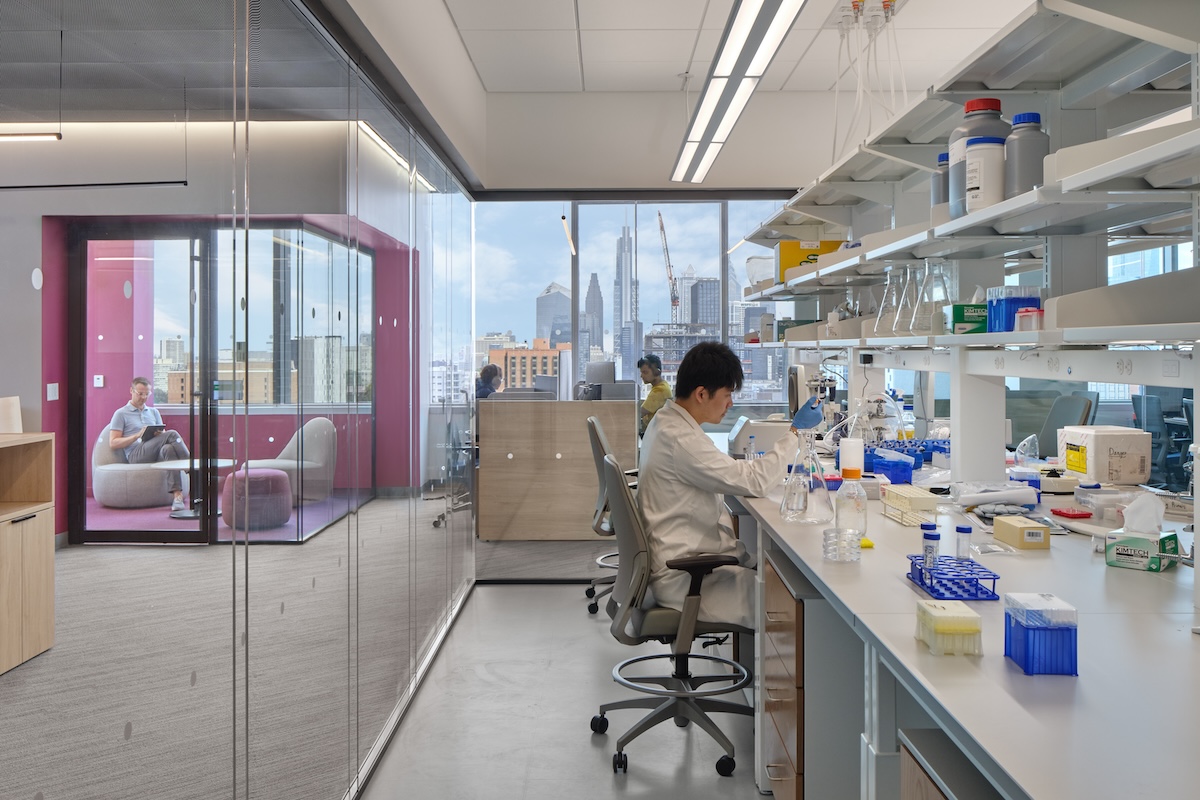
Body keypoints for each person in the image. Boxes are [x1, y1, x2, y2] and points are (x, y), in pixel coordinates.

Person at [637, 342, 821, 629]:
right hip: (689, 578)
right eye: (727, 395)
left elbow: (734, 472)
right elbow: (755, 481)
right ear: (701, 394)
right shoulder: (680, 440)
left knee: (779, 576)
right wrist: (795, 432)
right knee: (794, 604)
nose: (730, 404)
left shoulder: (668, 423)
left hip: (690, 564)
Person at [109, 377, 191, 513]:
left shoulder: (153, 412)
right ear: (131, 391)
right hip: (136, 454)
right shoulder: (121, 414)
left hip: (155, 451)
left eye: (147, 394)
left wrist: (159, 435)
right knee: (172, 434)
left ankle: (177, 497)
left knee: (168, 448)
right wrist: (136, 435)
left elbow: (164, 437)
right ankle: (192, 469)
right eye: (140, 393)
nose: (144, 397)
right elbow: (113, 443)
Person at [636, 354, 672, 435]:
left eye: (645, 372)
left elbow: (639, 413)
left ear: (657, 372)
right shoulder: (662, 386)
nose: (641, 376)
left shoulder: (660, 390)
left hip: (656, 435)